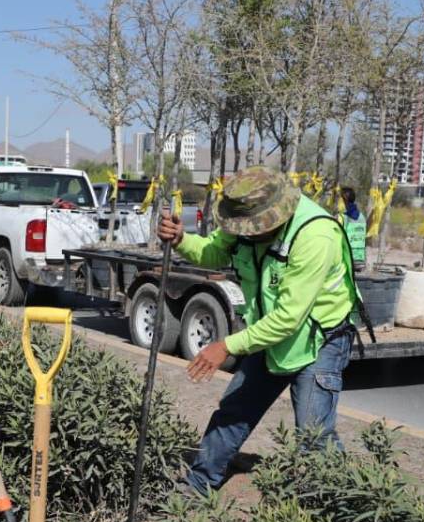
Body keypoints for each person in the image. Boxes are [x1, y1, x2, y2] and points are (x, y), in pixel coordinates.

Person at [157, 166, 369, 496]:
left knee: (314, 433)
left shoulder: (315, 235)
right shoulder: (247, 221)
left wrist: (225, 346)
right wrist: (182, 239)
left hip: (319, 339)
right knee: (234, 411)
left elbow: (288, 319)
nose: (246, 235)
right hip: (267, 333)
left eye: (253, 229)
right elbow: (213, 252)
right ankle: (196, 487)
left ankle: (339, 506)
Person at [339, 186, 367, 269]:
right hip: (360, 258)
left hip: (346, 259)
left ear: (344, 200)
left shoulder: (343, 217)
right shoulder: (362, 217)